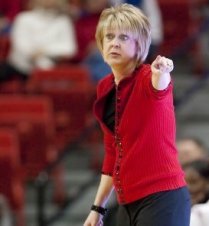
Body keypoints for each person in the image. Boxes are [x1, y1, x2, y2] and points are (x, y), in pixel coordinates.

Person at [83, 4, 190, 226]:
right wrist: (97, 208)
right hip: (128, 200)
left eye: (124, 37)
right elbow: (113, 153)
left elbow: (159, 87)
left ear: (139, 44)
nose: (114, 42)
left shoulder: (147, 77)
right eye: (109, 36)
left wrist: (163, 71)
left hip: (163, 196)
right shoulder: (105, 87)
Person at [0, 0, 77, 82]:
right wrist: (41, 58)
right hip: (20, 69)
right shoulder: (23, 18)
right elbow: (22, 47)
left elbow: (69, 49)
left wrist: (42, 52)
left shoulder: (63, 21)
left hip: (50, 71)